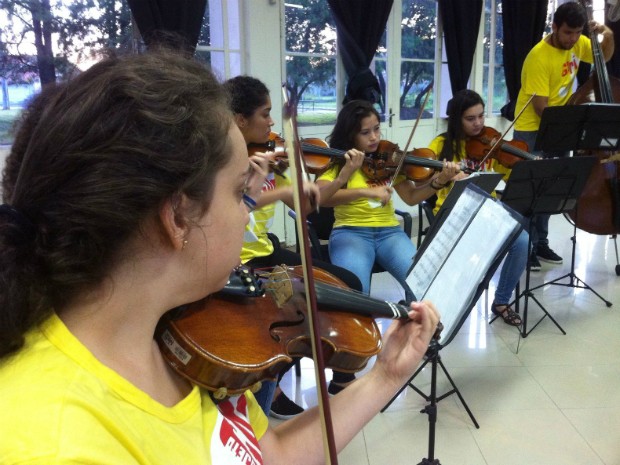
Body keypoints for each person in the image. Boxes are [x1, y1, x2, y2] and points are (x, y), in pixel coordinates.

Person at [0, 49, 440, 464]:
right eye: (237, 193)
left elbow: (271, 452)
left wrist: (385, 376)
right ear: (177, 216)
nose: (245, 211)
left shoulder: (195, 332)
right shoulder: (52, 444)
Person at [223, 76, 366, 418]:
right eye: (265, 113)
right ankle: (268, 384)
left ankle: (342, 376)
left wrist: (343, 176)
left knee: (346, 283)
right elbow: (226, 207)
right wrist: (280, 192)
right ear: (240, 120)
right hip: (235, 262)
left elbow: (305, 207)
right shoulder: (223, 158)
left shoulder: (274, 155)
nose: (272, 122)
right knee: (295, 311)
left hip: (264, 251)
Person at [316, 99, 459, 303]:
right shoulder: (339, 163)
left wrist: (440, 181)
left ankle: (411, 323)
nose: (374, 137)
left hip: (389, 232)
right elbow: (321, 199)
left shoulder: (389, 160)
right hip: (350, 232)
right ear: (351, 135)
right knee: (356, 295)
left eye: (376, 129)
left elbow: (411, 197)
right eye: (365, 133)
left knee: (422, 283)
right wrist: (354, 183)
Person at [513, 1, 614, 271]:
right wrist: (566, 127)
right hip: (533, 128)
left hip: (560, 125)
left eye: (577, 32)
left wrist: (609, 35)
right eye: (568, 32)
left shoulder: (578, 42)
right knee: (532, 191)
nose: (573, 39)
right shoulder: (539, 57)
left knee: (553, 189)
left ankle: (541, 242)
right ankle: (525, 247)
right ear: (555, 26)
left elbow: (604, 58)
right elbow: (540, 106)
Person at [428, 89, 529, 326]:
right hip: (452, 211)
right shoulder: (441, 144)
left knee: (522, 240)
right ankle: (441, 306)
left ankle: (502, 301)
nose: (479, 124)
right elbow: (428, 181)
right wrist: (445, 175)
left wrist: (526, 163)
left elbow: (509, 169)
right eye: (470, 118)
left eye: (481, 116)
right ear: (456, 119)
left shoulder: (491, 143)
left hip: (487, 209)